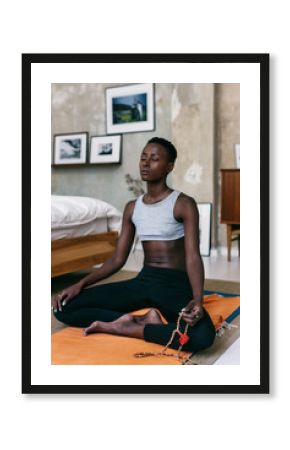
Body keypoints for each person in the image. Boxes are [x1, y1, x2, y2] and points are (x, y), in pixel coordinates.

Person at [52, 137, 216, 354]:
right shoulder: (132, 208)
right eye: (143, 158)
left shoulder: (183, 203)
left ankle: (131, 328)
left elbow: (193, 256)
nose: (146, 164)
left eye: (154, 159)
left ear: (169, 167)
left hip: (174, 284)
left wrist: (197, 299)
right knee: (64, 308)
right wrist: (79, 284)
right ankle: (140, 320)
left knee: (203, 336)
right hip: (144, 281)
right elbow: (118, 259)